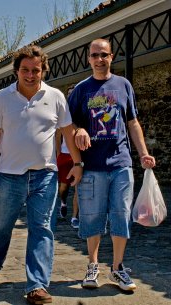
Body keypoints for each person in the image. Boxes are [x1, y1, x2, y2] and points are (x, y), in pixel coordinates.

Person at [0, 45, 83, 305]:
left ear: (43, 70)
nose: (30, 75)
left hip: (45, 176)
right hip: (9, 175)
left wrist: (77, 162)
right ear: (16, 71)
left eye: (35, 70)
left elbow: (68, 131)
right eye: (25, 70)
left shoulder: (56, 96)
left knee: (42, 229)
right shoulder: (2, 98)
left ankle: (37, 285)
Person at [68, 38, 156, 291]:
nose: (99, 59)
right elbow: (69, 123)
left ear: (111, 56)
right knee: (92, 217)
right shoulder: (81, 90)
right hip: (92, 165)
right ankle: (93, 266)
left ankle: (118, 268)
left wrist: (143, 154)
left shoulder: (123, 85)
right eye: (94, 55)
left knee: (121, 216)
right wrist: (80, 129)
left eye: (103, 55)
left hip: (121, 163)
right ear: (89, 59)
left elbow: (132, 122)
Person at [55, 84, 79, 229]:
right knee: (64, 187)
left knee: (78, 188)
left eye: (73, 93)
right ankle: (63, 202)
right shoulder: (62, 113)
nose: (71, 95)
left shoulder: (82, 110)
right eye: (69, 93)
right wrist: (59, 154)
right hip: (65, 155)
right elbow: (57, 137)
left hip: (80, 157)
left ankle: (75, 217)